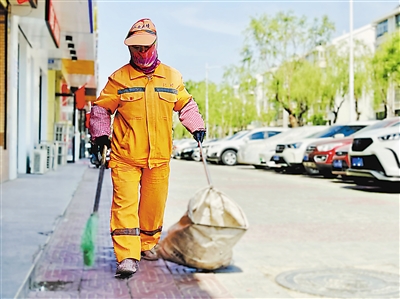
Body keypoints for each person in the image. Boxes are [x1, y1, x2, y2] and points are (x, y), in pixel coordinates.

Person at [89, 18, 206, 278]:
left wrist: (196, 124)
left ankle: (147, 244)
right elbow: (100, 108)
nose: (140, 52)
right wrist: (100, 133)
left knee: (153, 206)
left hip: (160, 158)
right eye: (135, 48)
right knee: (125, 206)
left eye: (145, 47)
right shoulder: (119, 78)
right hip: (125, 157)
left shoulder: (172, 77)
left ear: (155, 44)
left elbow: (185, 104)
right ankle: (127, 256)